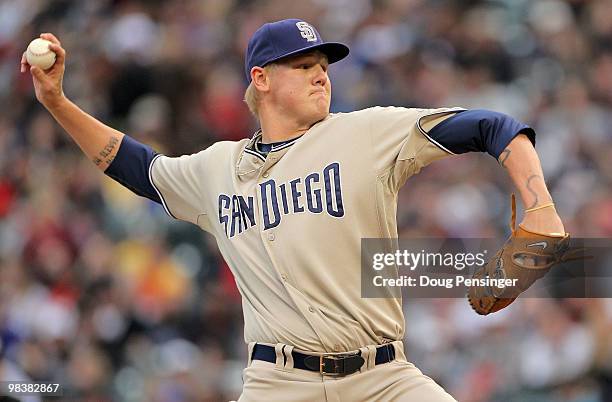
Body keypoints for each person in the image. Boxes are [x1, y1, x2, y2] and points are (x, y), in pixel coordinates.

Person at [22, 19, 565, 402]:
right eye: (303, 65)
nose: (321, 74)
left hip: (385, 380)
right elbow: (137, 167)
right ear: (260, 79)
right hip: (279, 385)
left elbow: (491, 126)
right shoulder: (216, 168)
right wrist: (58, 104)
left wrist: (538, 202)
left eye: (323, 65)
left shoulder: (364, 133)